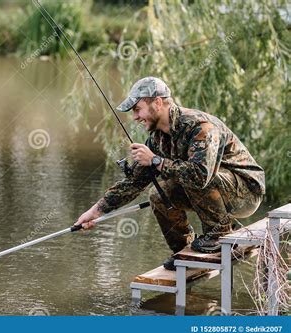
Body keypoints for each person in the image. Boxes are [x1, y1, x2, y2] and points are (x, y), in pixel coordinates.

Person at [75, 76, 265, 270]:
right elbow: (134, 183)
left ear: (157, 103)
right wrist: (94, 212)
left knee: (194, 175)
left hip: (247, 192)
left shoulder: (200, 126)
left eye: (137, 109)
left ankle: (219, 233)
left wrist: (156, 160)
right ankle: (185, 252)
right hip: (218, 190)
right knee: (158, 194)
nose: (135, 117)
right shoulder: (157, 139)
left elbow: (200, 176)